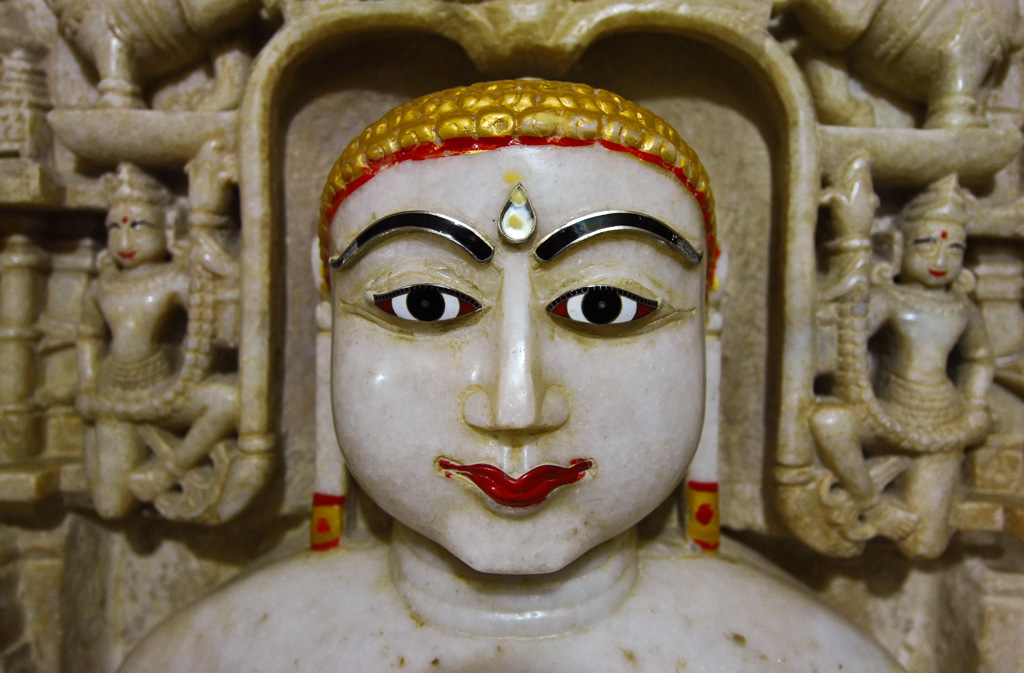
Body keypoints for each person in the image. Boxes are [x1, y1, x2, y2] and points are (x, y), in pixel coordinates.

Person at [119, 80, 904, 672]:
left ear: (709, 319)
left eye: (604, 305)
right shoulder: (212, 654)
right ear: (326, 312)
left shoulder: (811, 657)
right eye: (425, 302)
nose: (516, 405)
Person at [810, 174, 993, 558]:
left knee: (924, 547)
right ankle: (873, 503)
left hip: (944, 421)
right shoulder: (890, 300)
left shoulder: (963, 308)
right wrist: (849, 293)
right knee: (828, 423)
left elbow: (978, 357)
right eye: (927, 246)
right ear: (898, 247)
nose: (941, 260)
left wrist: (975, 405)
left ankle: (895, 480)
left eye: (954, 250)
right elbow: (850, 337)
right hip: (887, 413)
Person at [78, 163, 239, 519]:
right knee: (111, 506)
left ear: (166, 228)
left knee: (230, 401)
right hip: (112, 397)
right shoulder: (101, 287)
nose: (125, 240)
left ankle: (168, 469)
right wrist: (87, 383)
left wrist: (225, 269)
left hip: (164, 390)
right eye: (114, 228)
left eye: (138, 226)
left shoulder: (173, 280)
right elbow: (89, 335)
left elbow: (212, 312)